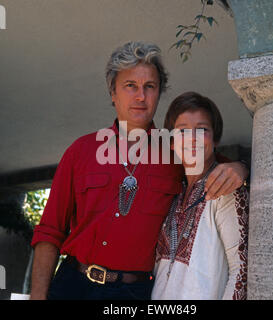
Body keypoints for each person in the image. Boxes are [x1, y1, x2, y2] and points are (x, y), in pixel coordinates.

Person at [29, 42, 249, 300]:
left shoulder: (175, 151)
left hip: (132, 293)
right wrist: (37, 296)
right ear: (113, 92)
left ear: (159, 93)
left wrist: (241, 167)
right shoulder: (81, 151)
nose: (140, 97)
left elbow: (218, 167)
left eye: (150, 87)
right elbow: (50, 231)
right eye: (130, 86)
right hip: (72, 284)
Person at [151, 92, 249, 300]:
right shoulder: (173, 198)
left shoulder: (224, 189)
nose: (192, 138)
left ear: (216, 139)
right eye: (183, 130)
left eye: (202, 129)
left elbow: (241, 272)